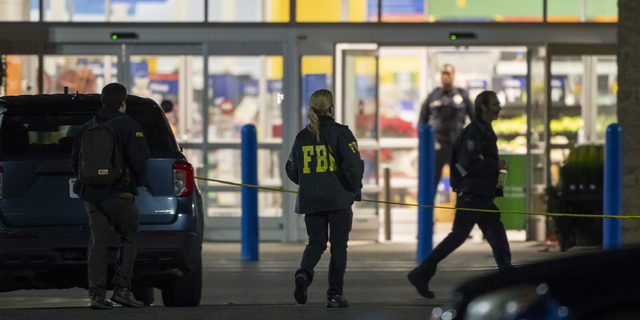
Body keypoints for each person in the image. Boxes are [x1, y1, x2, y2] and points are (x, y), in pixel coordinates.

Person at [408, 90, 512, 299]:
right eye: (495, 104)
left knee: (497, 236)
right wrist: (495, 165)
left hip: (482, 195)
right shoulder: (474, 132)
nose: (499, 107)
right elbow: (469, 163)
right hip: (472, 195)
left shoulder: (486, 131)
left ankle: (508, 279)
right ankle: (421, 273)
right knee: (459, 236)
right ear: (483, 107)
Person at [71, 83, 150, 310]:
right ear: (123, 102)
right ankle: (122, 290)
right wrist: (136, 182)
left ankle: (96, 295)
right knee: (129, 236)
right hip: (118, 193)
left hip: (92, 195)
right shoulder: (129, 125)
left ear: (103, 101)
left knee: (97, 244)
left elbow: (74, 162)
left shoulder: (87, 127)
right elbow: (140, 160)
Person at [286, 89, 364, 308]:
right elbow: (354, 166)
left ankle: (304, 273)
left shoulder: (302, 136)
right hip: (338, 200)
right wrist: (353, 190)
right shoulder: (342, 133)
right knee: (339, 247)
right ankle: (334, 295)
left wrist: (309, 184)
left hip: (311, 201)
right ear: (331, 108)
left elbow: (291, 169)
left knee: (316, 242)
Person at [419, 64, 474, 191]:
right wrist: (425, 144)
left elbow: (475, 119)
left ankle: (461, 211)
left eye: (448, 73)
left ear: (453, 75)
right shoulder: (433, 96)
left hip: (457, 149)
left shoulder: (463, 95)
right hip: (437, 147)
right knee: (430, 185)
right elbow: (422, 120)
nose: (445, 76)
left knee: (462, 185)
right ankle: (429, 210)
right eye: (443, 73)